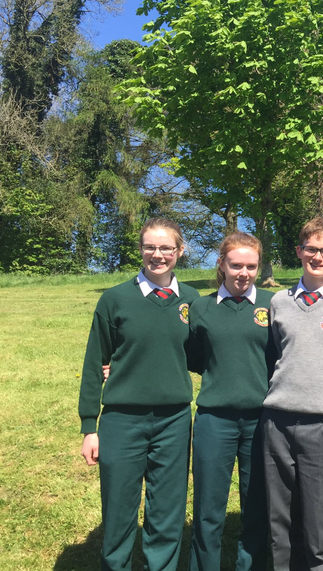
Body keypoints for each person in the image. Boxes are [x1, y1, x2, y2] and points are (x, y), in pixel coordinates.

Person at [79, 218, 199, 571]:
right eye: (150, 247)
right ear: (141, 249)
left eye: (166, 248)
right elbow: (94, 363)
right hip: (122, 420)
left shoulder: (192, 301)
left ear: (180, 251)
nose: (157, 255)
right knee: (118, 509)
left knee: (167, 510)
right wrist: (89, 426)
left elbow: (203, 356)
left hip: (174, 421)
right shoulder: (115, 299)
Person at [261, 218, 323, 570]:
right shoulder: (279, 302)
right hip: (277, 423)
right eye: (310, 249)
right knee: (280, 523)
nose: (317, 257)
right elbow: (276, 355)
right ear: (299, 251)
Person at [187, 231, 273, 571]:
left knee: (257, 506)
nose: (244, 273)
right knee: (208, 508)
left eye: (251, 266)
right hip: (214, 420)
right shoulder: (200, 307)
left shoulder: (273, 304)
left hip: (261, 420)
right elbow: (193, 357)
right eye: (236, 265)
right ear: (221, 264)